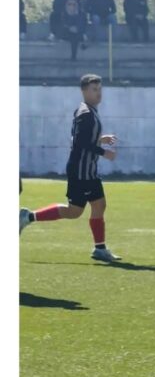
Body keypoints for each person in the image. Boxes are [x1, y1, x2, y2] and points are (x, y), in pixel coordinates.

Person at [19, 74, 117, 263]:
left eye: (100, 89)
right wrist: (103, 152)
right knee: (74, 211)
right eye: (94, 89)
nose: (98, 93)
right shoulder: (85, 113)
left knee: (98, 205)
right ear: (84, 91)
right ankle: (28, 216)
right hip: (81, 171)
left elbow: (81, 138)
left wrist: (99, 139)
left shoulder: (89, 111)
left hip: (88, 170)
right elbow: (79, 142)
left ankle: (100, 249)